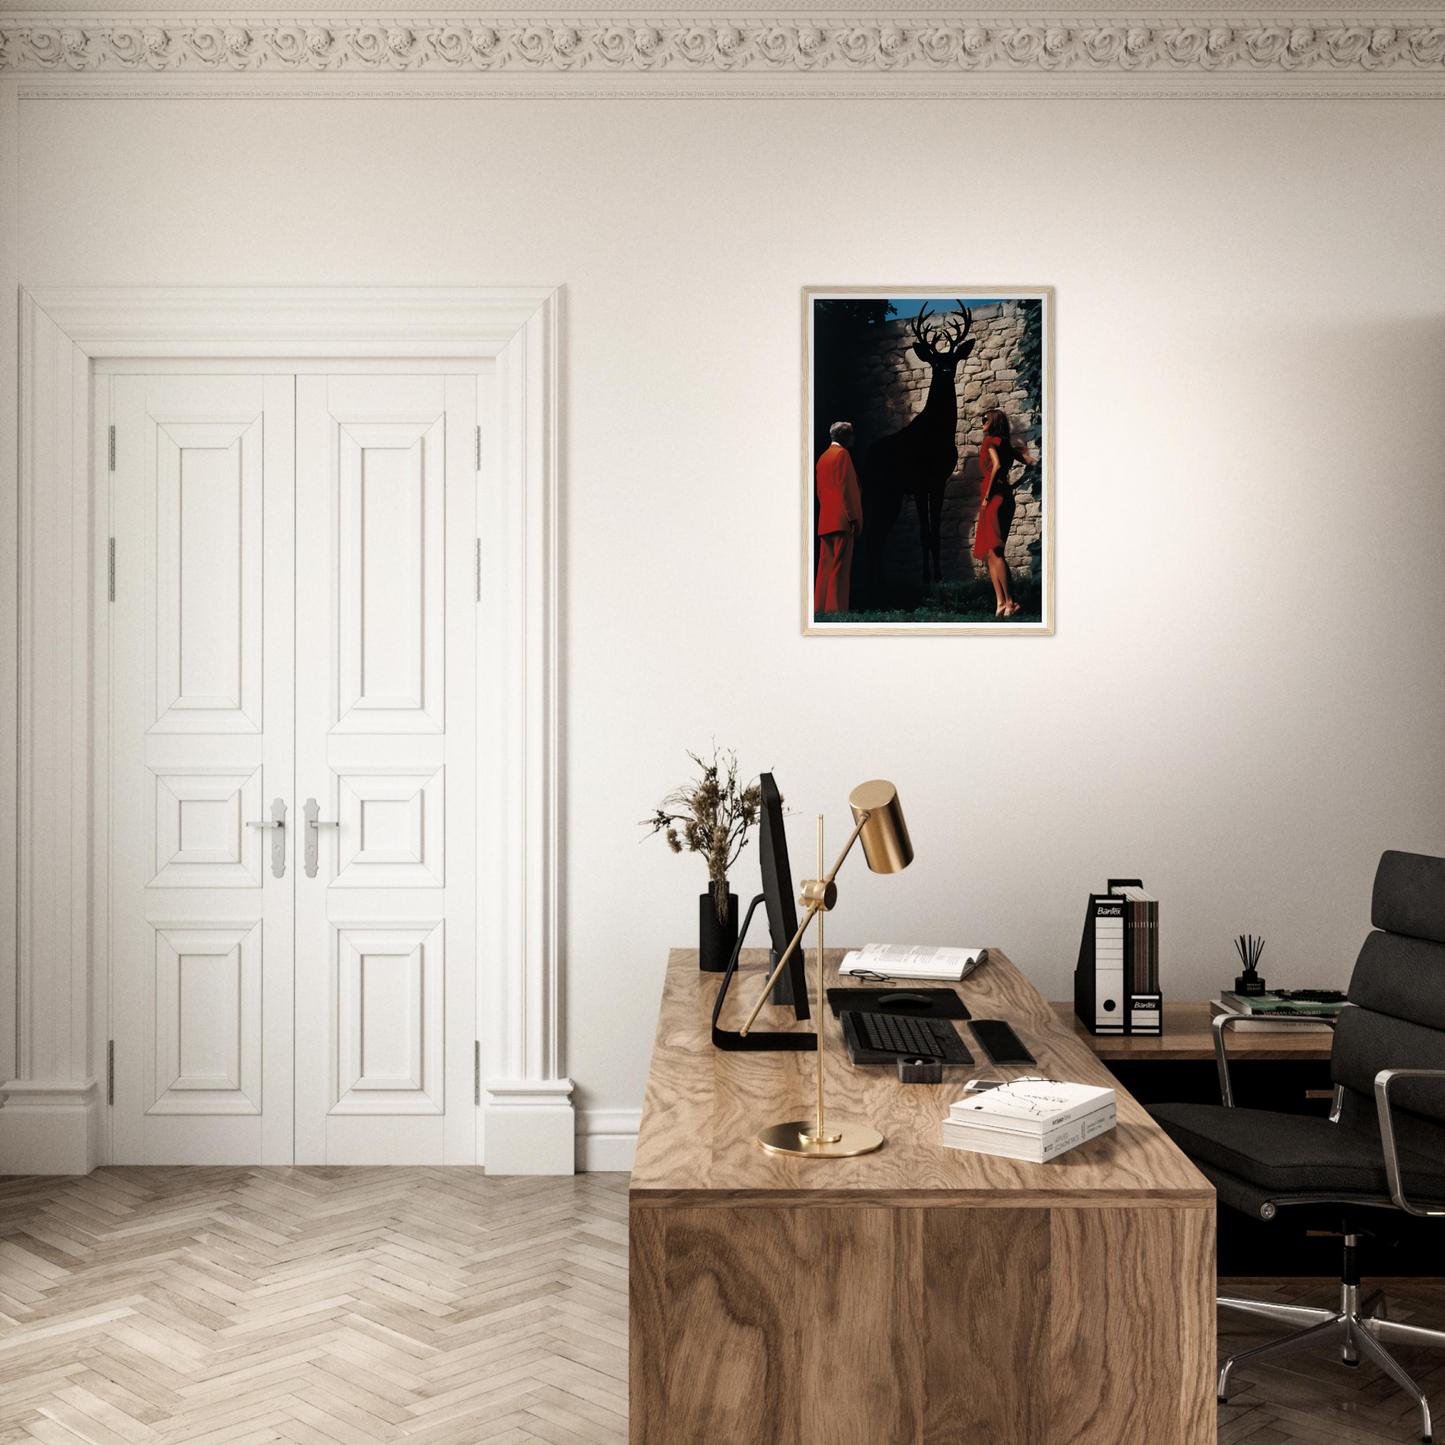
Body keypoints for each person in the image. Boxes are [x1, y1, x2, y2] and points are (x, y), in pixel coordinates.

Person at [972, 410, 1034, 618]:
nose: (982, 423)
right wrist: (1021, 479)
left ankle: (1010, 602)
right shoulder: (1006, 445)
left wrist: (987, 497)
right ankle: (1000, 604)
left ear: (993, 422)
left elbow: (997, 466)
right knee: (992, 552)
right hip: (1005, 497)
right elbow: (1031, 462)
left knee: (995, 551)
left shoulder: (990, 441)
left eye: (985, 420)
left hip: (994, 498)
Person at [814, 421, 863, 615]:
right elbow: (845, 489)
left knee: (825, 568)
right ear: (841, 434)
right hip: (843, 521)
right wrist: (853, 519)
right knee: (840, 569)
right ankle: (836, 611)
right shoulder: (842, 455)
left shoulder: (822, 458)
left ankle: (820, 609)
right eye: (851, 433)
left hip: (826, 521)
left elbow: (819, 492)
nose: (854, 437)